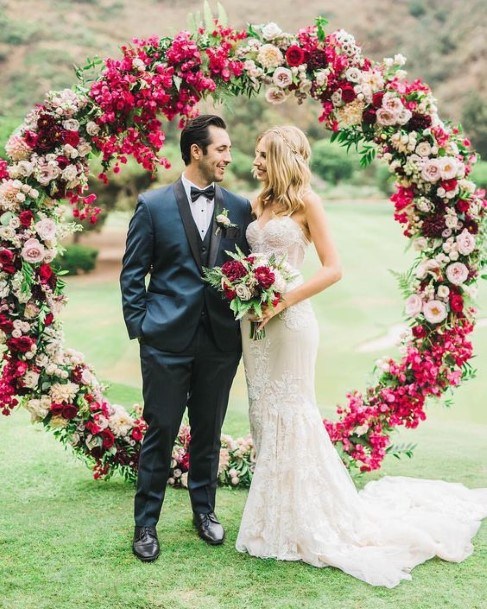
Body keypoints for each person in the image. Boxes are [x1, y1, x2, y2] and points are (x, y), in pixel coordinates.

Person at [235, 125, 487, 587]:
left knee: (293, 410)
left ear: (284, 158)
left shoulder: (307, 203)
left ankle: (304, 520)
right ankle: (272, 514)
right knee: (262, 412)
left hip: (289, 321)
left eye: (264, 155)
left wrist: (283, 299)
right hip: (253, 327)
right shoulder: (256, 203)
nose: (257, 162)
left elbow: (334, 268)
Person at [120, 114, 253, 562]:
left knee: (209, 432)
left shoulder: (239, 207)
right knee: (160, 430)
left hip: (220, 341)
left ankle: (205, 512)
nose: (228, 157)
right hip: (165, 340)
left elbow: (248, 272)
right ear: (196, 151)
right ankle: (145, 525)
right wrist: (143, 327)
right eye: (221, 149)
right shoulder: (152, 205)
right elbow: (133, 273)